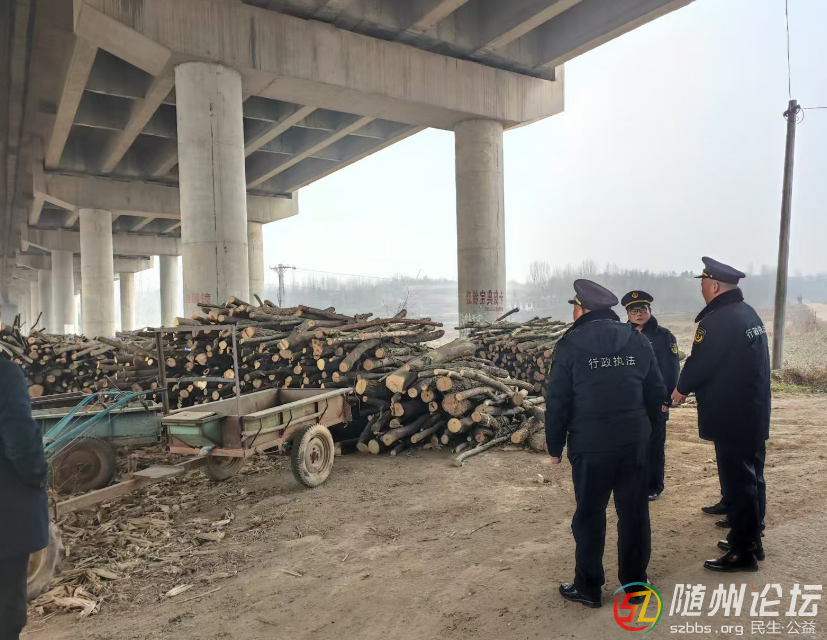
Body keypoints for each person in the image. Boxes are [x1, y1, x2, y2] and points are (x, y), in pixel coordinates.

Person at [546, 279, 668, 608]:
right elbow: (657, 392)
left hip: (591, 446)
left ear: (582, 309)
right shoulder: (636, 340)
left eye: (574, 307)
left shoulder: (569, 345)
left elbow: (557, 401)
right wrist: (647, 434)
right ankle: (636, 586)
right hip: (634, 443)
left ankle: (588, 587)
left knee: (589, 514)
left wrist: (554, 447)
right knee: (634, 514)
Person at [671, 257, 770, 572]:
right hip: (753, 410)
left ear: (714, 286)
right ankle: (752, 538)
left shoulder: (717, 321)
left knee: (739, 482)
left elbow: (700, 362)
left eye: (703, 283)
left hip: (731, 414)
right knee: (752, 476)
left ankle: (743, 553)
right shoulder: (747, 312)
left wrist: (680, 389)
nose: (701, 288)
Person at [0, 358, 49, 639]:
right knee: (5, 614)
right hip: (5, 516)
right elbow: (21, 440)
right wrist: (38, 477)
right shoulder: (4, 373)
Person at [621, 291, 680, 501]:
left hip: (655, 401)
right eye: (633, 310)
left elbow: (671, 370)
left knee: (654, 443)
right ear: (627, 314)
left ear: (650, 310)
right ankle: (634, 483)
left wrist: (666, 399)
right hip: (630, 402)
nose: (638, 314)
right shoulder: (621, 335)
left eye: (642, 309)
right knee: (631, 443)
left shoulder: (664, 336)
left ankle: (654, 485)